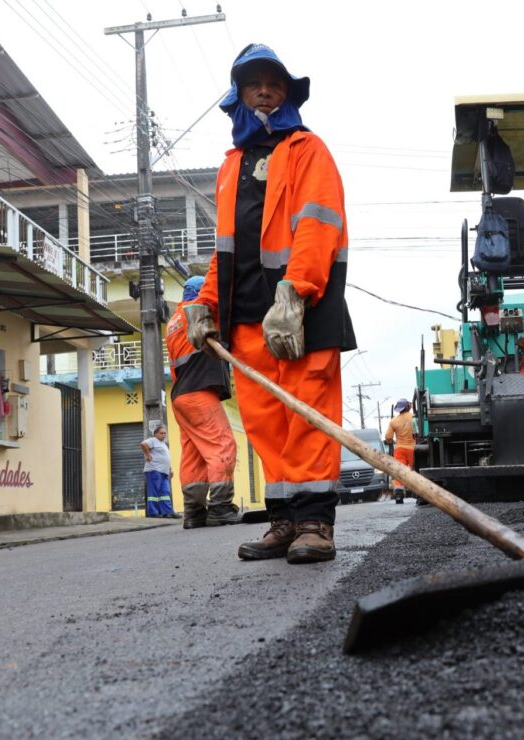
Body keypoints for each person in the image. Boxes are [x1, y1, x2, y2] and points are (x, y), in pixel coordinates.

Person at [184, 43, 356, 564]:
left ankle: (314, 524)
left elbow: (319, 224)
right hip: (248, 318)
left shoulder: (308, 150)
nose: (265, 90)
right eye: (254, 82)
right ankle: (284, 520)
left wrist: (296, 290)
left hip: (301, 310)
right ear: (238, 94)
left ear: (287, 93)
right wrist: (207, 303)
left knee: (307, 415)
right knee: (266, 421)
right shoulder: (232, 166)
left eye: (274, 82)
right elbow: (226, 248)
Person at [166, 276, 241, 529]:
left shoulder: (174, 321)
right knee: (223, 445)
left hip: (181, 396)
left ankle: (194, 513)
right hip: (199, 392)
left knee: (194, 455)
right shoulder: (198, 311)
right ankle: (220, 508)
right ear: (200, 293)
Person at [383, 398, 417, 504]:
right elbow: (418, 432)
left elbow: (388, 437)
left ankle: (398, 493)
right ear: (408, 407)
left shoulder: (393, 421)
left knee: (399, 472)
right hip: (413, 449)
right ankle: (420, 492)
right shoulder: (414, 418)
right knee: (415, 471)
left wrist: (392, 441)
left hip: (399, 449)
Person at [140, 426, 177, 518]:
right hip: (154, 470)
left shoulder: (163, 444)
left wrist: (170, 469)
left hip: (164, 472)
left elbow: (165, 458)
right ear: (156, 433)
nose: (164, 435)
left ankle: (167, 512)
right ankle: (153, 513)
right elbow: (143, 444)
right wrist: (148, 455)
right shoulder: (153, 440)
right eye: (161, 433)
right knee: (154, 493)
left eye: (165, 433)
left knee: (165, 493)